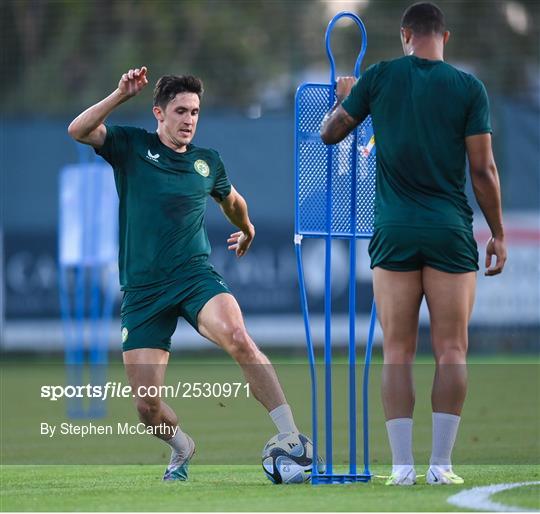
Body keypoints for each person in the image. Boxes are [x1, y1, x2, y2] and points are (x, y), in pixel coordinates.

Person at [68, 67, 300, 480]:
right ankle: (182, 446)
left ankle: (292, 439)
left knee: (240, 338)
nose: (189, 119)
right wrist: (120, 94)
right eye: (180, 111)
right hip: (142, 291)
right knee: (146, 408)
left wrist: (246, 229)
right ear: (159, 113)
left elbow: (233, 201)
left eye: (194, 111)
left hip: (194, 276)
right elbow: (79, 129)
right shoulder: (130, 146)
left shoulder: (207, 162)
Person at [321, 2, 506, 486]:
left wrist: (348, 98)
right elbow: (483, 171)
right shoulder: (469, 88)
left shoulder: (380, 77)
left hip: (395, 230)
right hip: (449, 230)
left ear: (405, 35)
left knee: (397, 351)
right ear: (445, 37)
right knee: (452, 350)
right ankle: (441, 466)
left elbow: (330, 132)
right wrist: (499, 233)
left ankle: (401, 469)